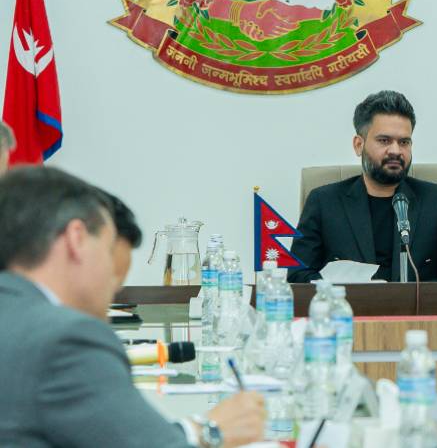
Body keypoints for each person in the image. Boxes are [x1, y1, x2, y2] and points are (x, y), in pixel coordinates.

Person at [0, 166, 264, 447]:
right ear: (76, 238)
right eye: (108, 250)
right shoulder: (65, 339)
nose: (114, 281)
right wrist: (214, 430)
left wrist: (192, 431)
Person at [289, 91, 437, 283]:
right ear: (358, 145)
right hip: (349, 302)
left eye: (404, 142)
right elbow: (297, 275)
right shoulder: (324, 202)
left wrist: (414, 296)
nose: (395, 150)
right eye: (384, 140)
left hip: (418, 303)